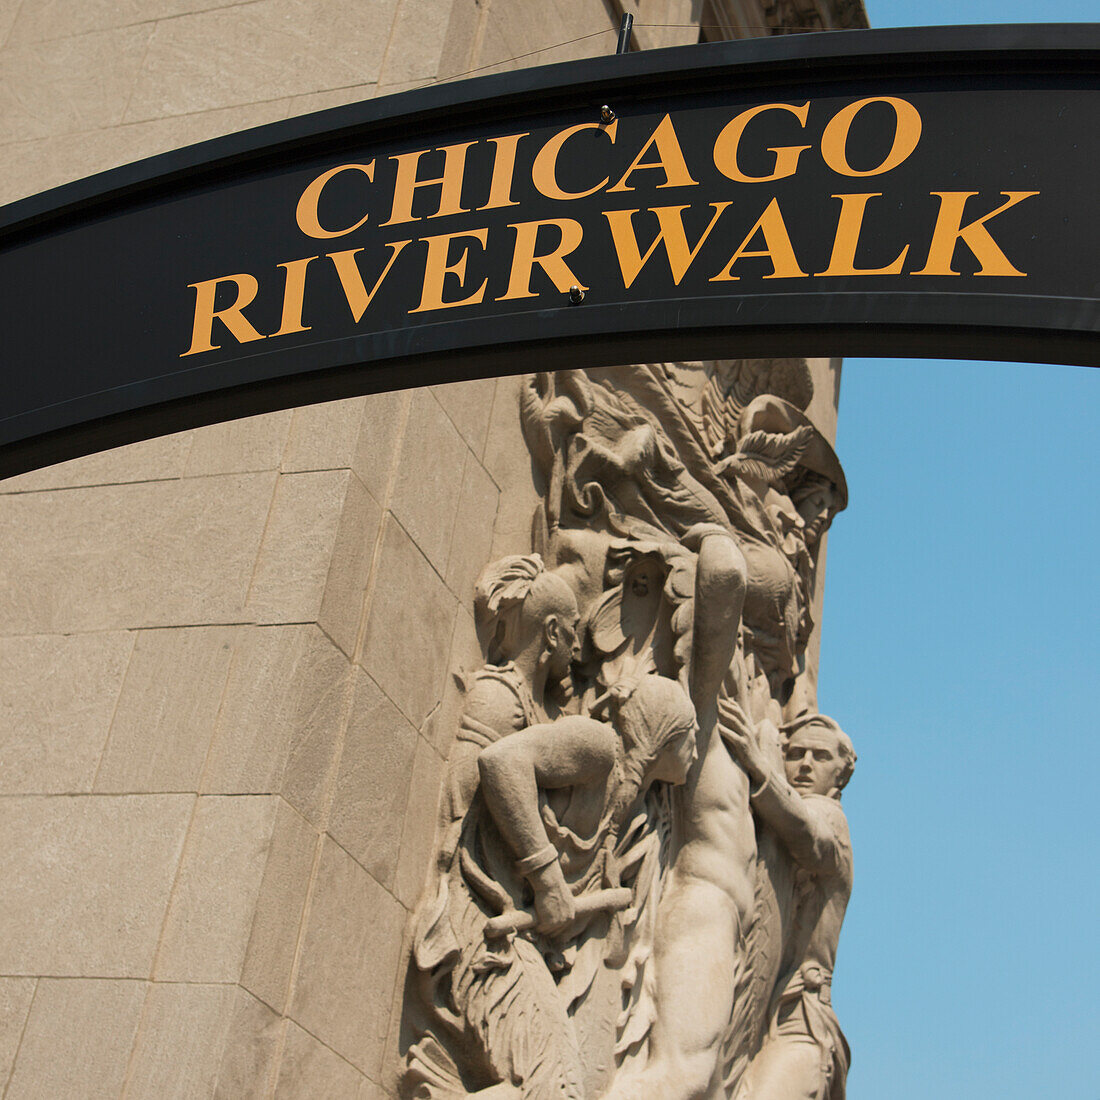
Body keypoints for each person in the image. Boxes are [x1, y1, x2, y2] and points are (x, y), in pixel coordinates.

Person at [718, 704, 856, 1100]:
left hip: (800, 1022)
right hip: (756, 1015)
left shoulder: (830, 815)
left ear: (841, 775)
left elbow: (812, 839)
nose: (806, 765)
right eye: (795, 754)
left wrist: (759, 767)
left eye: (821, 756)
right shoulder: (776, 824)